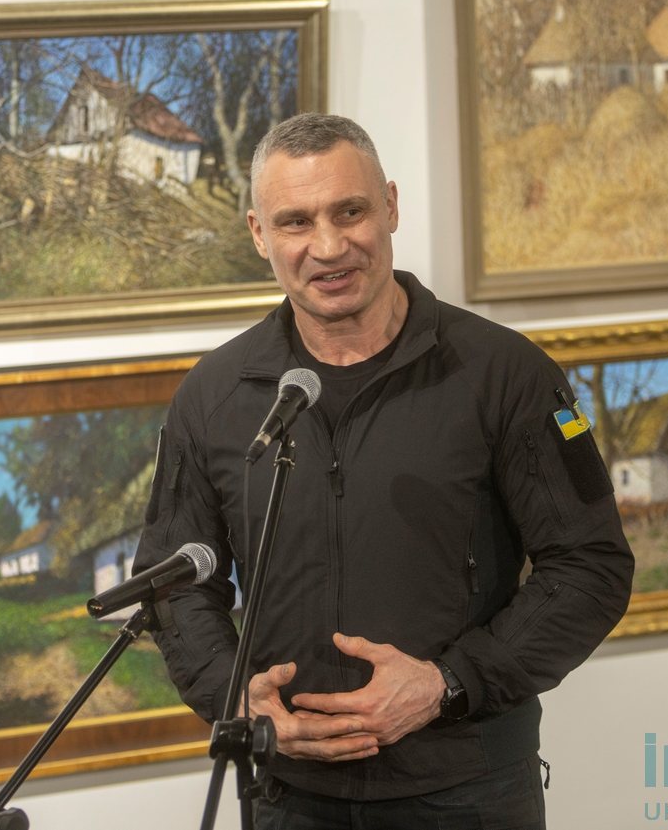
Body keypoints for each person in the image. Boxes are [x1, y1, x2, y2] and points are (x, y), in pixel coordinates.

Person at [133, 113, 634, 829]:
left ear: (391, 206)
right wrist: (233, 695)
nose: (329, 246)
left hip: (469, 792)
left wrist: (446, 682)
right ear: (258, 234)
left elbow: (591, 565)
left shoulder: (507, 373)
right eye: (296, 221)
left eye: (351, 211)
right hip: (288, 797)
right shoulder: (212, 396)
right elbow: (174, 584)